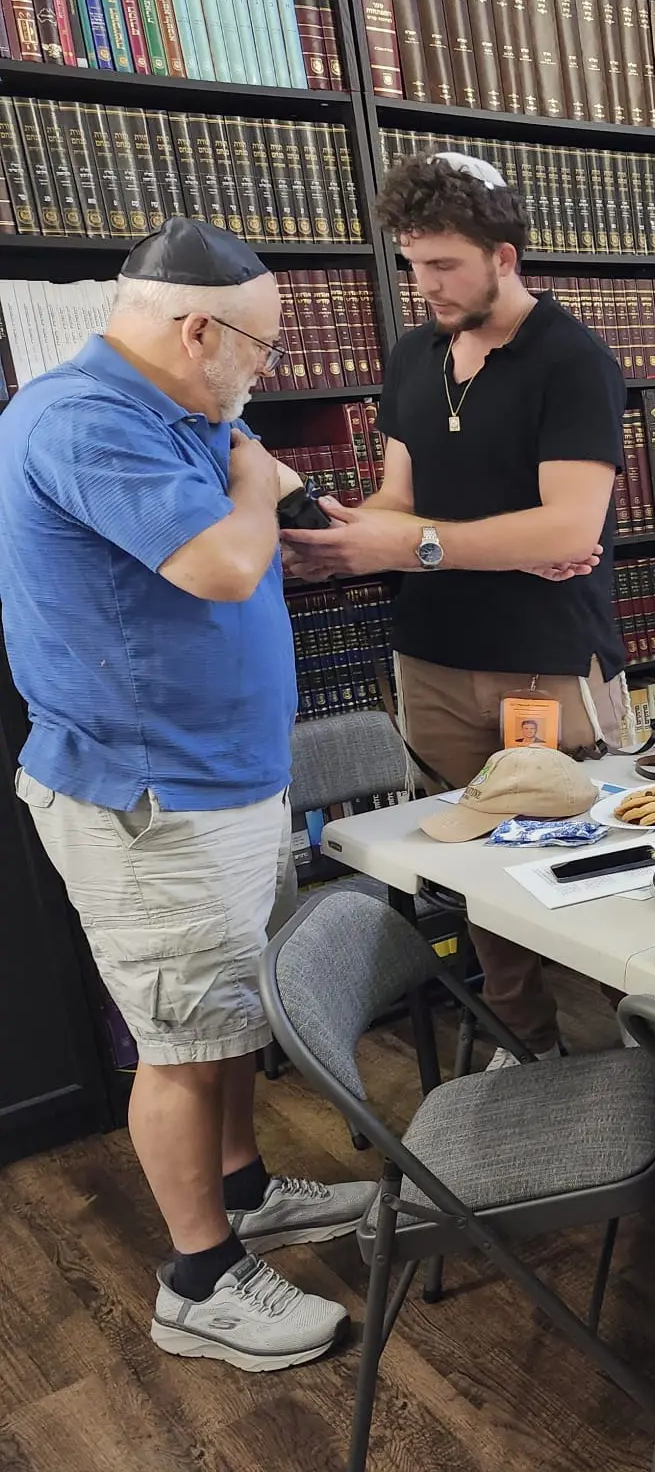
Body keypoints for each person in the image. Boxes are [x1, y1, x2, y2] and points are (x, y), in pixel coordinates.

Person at [0, 219, 372, 1370]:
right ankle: (200, 1280)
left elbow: (281, 501)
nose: (265, 373)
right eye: (260, 350)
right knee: (177, 1037)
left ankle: (243, 1190)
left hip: (224, 775)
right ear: (198, 329)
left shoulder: (185, 408)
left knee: (226, 1014)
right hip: (153, 794)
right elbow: (218, 561)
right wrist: (254, 485)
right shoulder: (81, 418)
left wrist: (299, 506)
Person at [282, 152, 627, 1066]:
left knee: (576, 866)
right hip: (432, 654)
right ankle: (524, 1052)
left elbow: (568, 527)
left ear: (503, 257)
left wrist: (415, 545)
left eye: (444, 266)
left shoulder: (574, 361)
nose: (424, 285)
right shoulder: (413, 355)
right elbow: (398, 499)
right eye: (412, 264)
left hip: (544, 658)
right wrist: (346, 539)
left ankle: (625, 1067)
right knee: (472, 871)